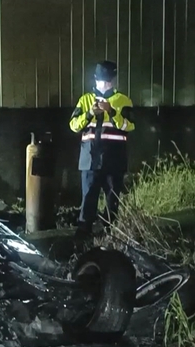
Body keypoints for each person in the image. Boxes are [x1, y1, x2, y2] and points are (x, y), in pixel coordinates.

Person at [68, 60, 135, 235]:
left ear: (113, 81)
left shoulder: (122, 100)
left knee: (112, 200)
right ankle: (83, 236)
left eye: (107, 81)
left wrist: (112, 111)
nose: (104, 85)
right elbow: (74, 126)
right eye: (101, 81)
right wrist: (90, 114)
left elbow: (129, 126)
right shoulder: (85, 100)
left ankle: (110, 235)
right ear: (95, 80)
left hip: (114, 160)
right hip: (90, 159)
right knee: (88, 199)